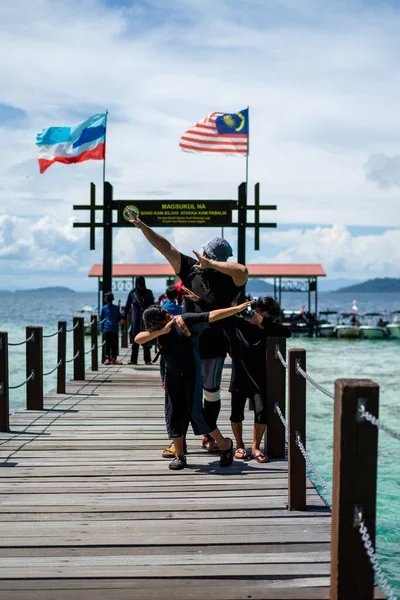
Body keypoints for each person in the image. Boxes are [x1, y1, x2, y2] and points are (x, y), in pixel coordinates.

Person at [127, 212, 248, 455]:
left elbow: (243, 270)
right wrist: (142, 226)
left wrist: (211, 265)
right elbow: (165, 246)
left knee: (210, 393)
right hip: (180, 344)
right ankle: (178, 440)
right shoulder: (190, 270)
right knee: (177, 394)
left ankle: (209, 436)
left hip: (213, 345)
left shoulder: (230, 280)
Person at [135, 299, 254, 470]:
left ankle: (225, 445)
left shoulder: (184, 321)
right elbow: (138, 339)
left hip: (191, 374)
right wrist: (161, 330)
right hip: (172, 377)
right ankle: (180, 455)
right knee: (173, 413)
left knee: (197, 413)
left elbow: (211, 316)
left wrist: (235, 308)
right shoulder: (156, 331)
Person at [225, 296, 291, 462]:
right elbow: (223, 317)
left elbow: (287, 333)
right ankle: (239, 445)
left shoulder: (268, 331)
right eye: (266, 315)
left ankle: (255, 447)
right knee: (236, 413)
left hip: (259, 379)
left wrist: (265, 323)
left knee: (261, 413)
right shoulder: (239, 325)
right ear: (257, 311)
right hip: (239, 376)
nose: (267, 320)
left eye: (270, 318)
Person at [122, 276, 154, 365]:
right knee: (135, 340)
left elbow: (152, 307)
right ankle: (133, 360)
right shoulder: (132, 293)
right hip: (136, 320)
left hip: (146, 320)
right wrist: (123, 317)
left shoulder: (149, 293)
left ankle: (147, 360)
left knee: (146, 339)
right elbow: (127, 306)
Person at [100, 292, 122, 365]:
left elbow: (119, 318)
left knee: (114, 344)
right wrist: (101, 329)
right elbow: (101, 319)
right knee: (107, 345)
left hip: (114, 329)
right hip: (107, 329)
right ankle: (107, 358)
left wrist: (122, 328)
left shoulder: (116, 308)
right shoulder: (104, 308)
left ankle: (113, 358)